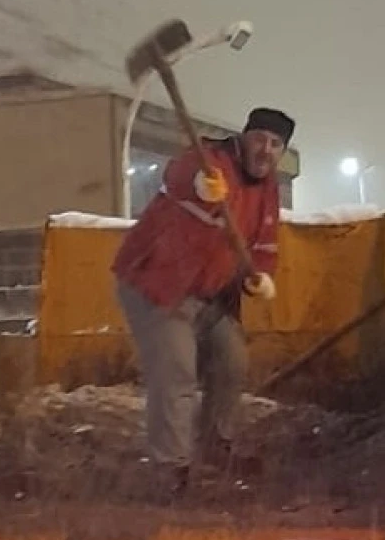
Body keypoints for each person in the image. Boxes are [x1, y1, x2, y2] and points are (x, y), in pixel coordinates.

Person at [112, 107, 295, 488]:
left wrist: (259, 278)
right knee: (178, 371)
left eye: (276, 144)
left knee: (231, 360)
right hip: (157, 283)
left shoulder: (268, 189)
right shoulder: (210, 162)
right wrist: (200, 185)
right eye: (259, 138)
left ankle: (215, 446)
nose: (266, 149)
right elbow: (177, 175)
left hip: (209, 294)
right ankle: (171, 469)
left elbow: (264, 245)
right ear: (244, 138)